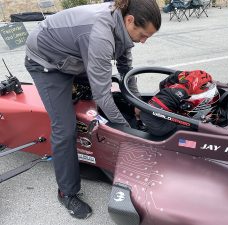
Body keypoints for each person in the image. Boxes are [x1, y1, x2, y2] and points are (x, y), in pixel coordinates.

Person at [24, 0, 161, 219]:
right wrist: (127, 131)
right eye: (144, 35)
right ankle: (66, 192)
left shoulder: (122, 23)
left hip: (75, 53)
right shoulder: (100, 34)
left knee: (113, 91)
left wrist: (136, 104)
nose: (144, 41)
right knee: (64, 128)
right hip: (47, 62)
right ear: (130, 20)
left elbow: (126, 69)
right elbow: (102, 94)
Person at [140, 70, 219, 136]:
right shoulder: (183, 130)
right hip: (157, 126)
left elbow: (162, 84)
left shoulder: (179, 94)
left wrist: (181, 77)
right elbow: (149, 113)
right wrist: (181, 90)